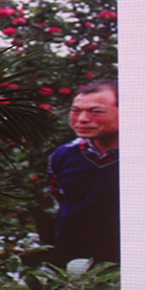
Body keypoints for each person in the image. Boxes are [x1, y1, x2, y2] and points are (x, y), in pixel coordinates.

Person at [47, 79, 119, 265]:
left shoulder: (144, 155)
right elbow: (62, 200)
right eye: (76, 111)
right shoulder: (62, 155)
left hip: (126, 257)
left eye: (96, 112)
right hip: (74, 259)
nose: (82, 119)